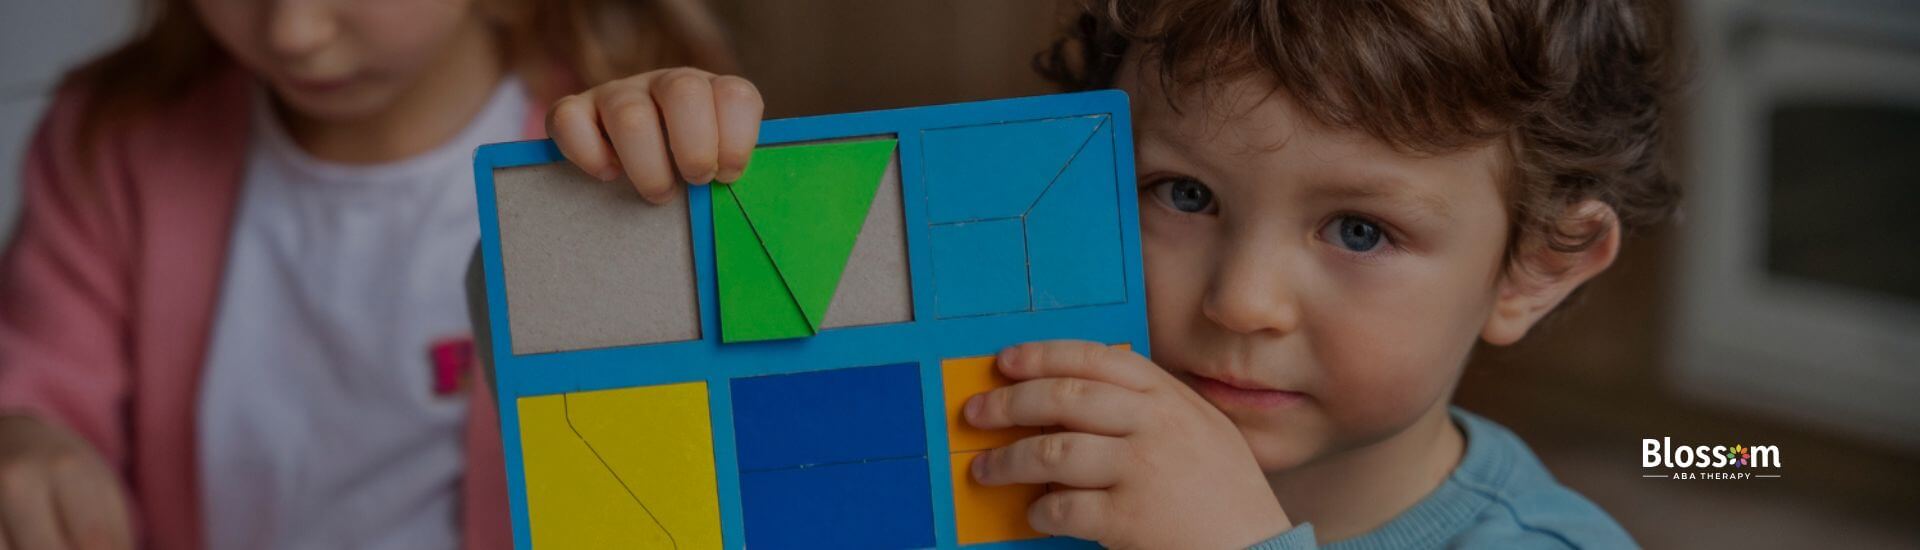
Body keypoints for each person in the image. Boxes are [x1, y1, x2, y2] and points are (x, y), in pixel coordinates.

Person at [540, 0, 1675, 547]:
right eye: (1183, 196)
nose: (1240, 300)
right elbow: (599, 451)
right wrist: (615, 220)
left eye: (1361, 232)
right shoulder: (997, 417)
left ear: (1537, 267)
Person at [0, 0, 735, 548]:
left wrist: (681, 185)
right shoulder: (109, 141)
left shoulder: (619, 160)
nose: (294, 32)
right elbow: (36, 386)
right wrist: (26, 439)